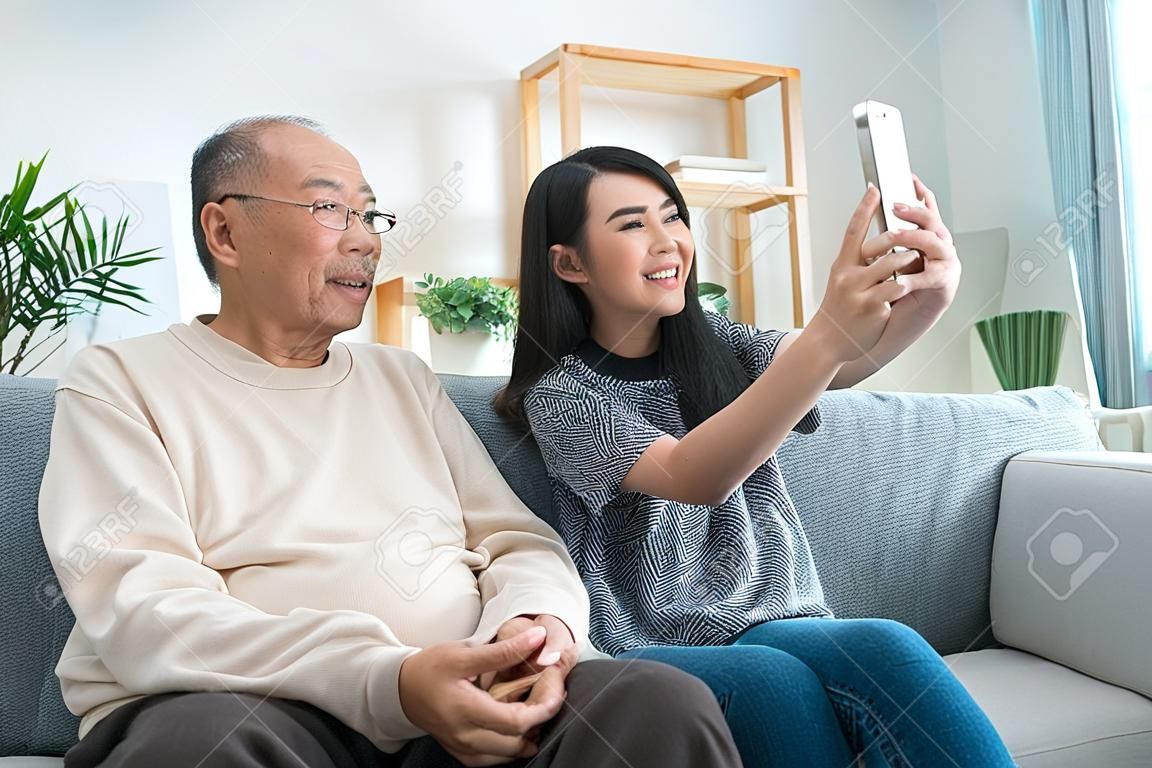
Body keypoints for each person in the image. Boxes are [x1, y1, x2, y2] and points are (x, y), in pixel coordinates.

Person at [39, 120, 743, 768]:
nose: (366, 239)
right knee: (196, 748)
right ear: (225, 233)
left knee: (656, 703)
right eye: (330, 210)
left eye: (369, 215)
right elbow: (144, 607)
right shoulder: (120, 380)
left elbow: (516, 542)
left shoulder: (399, 377)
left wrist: (533, 624)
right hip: (267, 714)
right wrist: (392, 679)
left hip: (468, 697)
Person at [496, 145, 1016, 767]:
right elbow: (692, 475)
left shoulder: (719, 341)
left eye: (673, 216)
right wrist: (825, 331)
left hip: (777, 616)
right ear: (570, 263)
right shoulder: (562, 395)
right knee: (771, 684)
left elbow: (844, 361)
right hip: (649, 641)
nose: (668, 243)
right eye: (633, 225)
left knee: (887, 643)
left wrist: (934, 291)